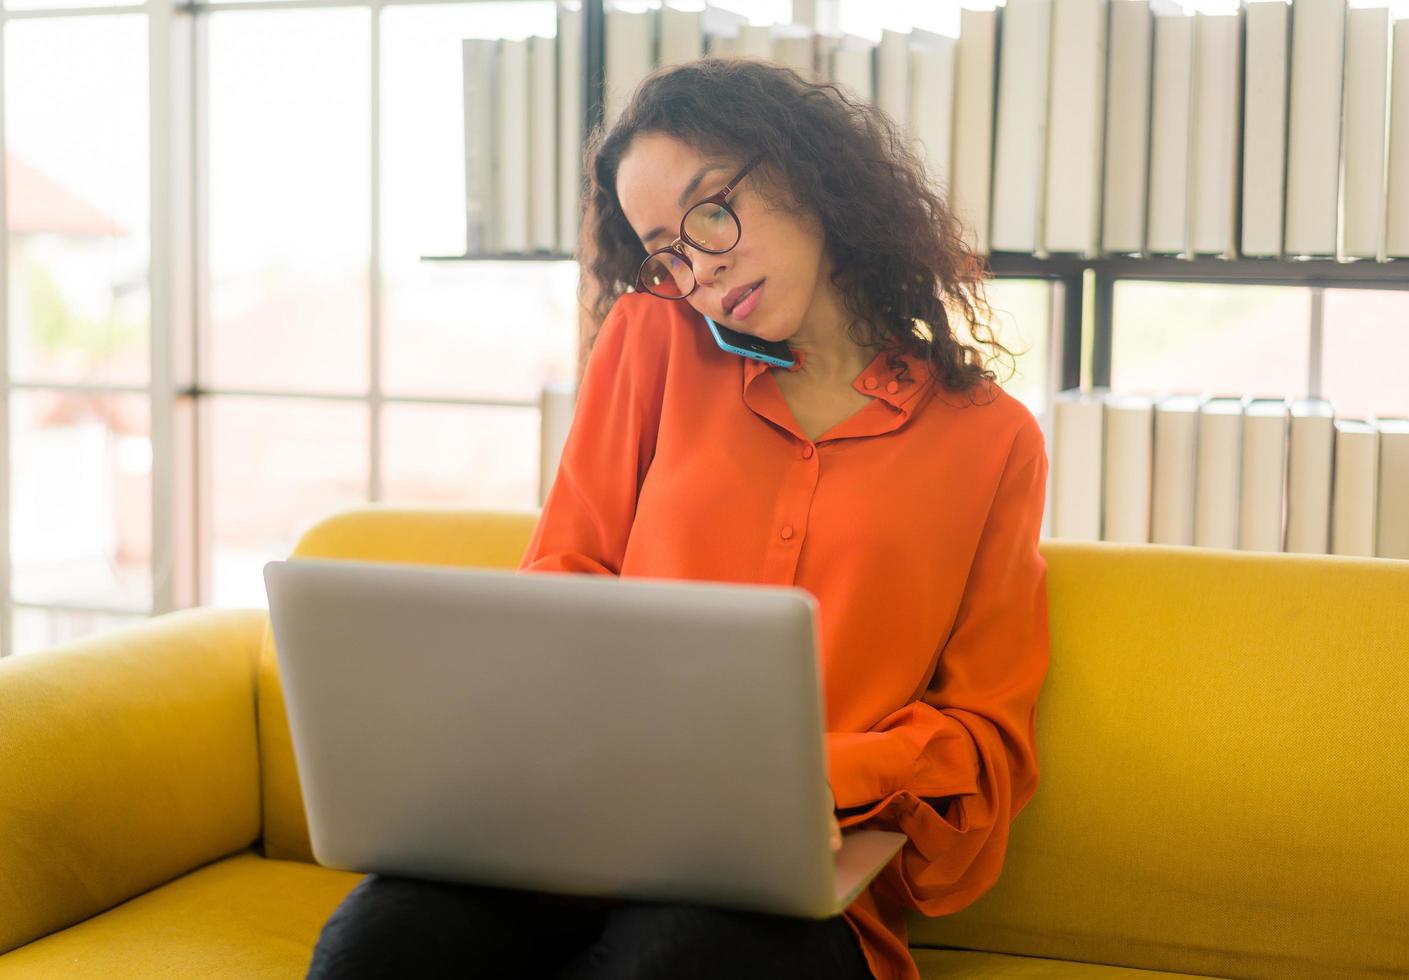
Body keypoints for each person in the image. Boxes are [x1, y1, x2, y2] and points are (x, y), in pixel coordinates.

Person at [307, 56, 1050, 980]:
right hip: (581, 836)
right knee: (383, 942)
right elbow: (565, 581)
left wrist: (821, 776)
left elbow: (986, 737)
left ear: (805, 170)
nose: (699, 268)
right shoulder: (652, 337)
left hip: (787, 904)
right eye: (667, 249)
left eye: (711, 209)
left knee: (669, 962)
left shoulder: (991, 440)